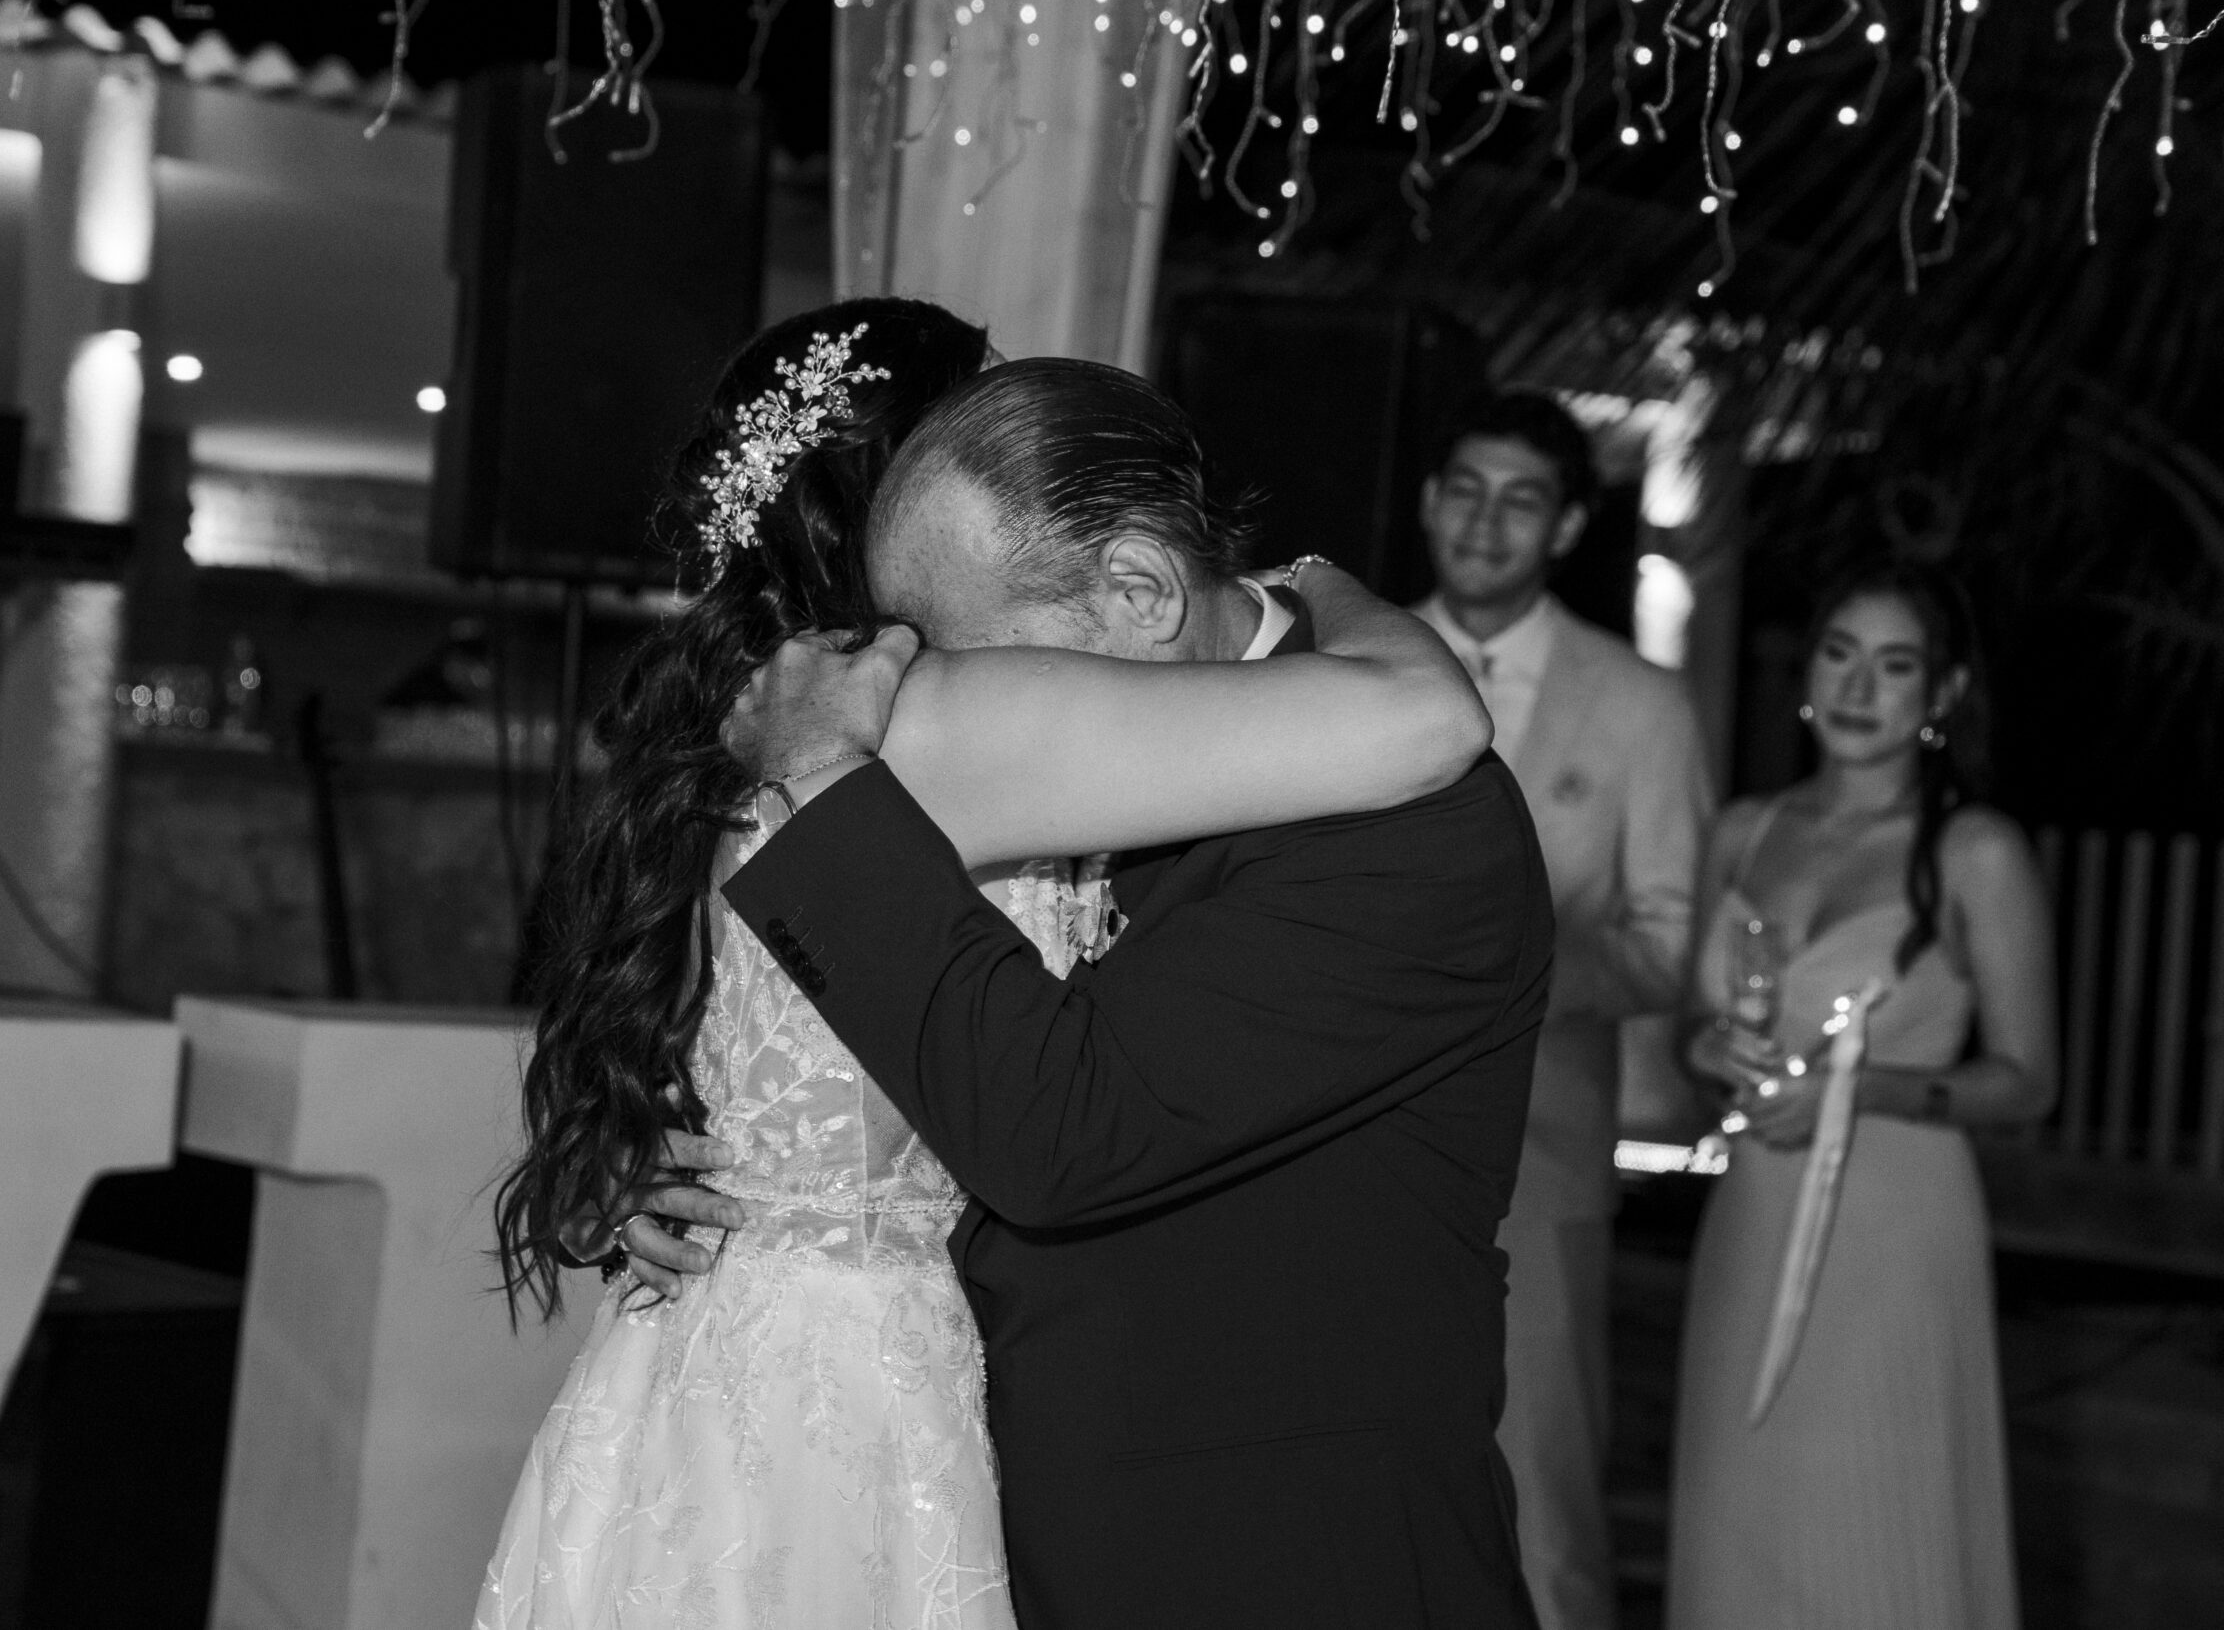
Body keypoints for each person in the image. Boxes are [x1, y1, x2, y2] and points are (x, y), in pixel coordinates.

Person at [475, 309, 1497, 1629]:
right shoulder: (936, 713)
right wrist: (1323, 581)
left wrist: (638, 1155)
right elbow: (1424, 717)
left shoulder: (757, 710)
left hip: (703, 1363)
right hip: (861, 1391)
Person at [1666, 561, 2053, 1629]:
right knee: (1744, 1515)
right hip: (1751, 1208)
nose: (1857, 687)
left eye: (1894, 666)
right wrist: (1710, 1049)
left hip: (1893, 1224)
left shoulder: (1975, 851)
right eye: (1839, 654)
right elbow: (1691, 1032)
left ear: (1942, 693)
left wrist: (1862, 1087)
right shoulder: (1743, 828)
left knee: (1872, 1516)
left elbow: (2027, 1081)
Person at [1408, 389, 1715, 1630]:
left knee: (1541, 1503)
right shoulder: (1339, 665)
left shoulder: (1640, 705)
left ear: (1569, 525)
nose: (1485, 524)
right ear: (1427, 500)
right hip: (1338, 1141)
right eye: (1465, 491)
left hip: (1536, 1153)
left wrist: (1508, 966)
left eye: (1521, 500)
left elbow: (1669, 948)